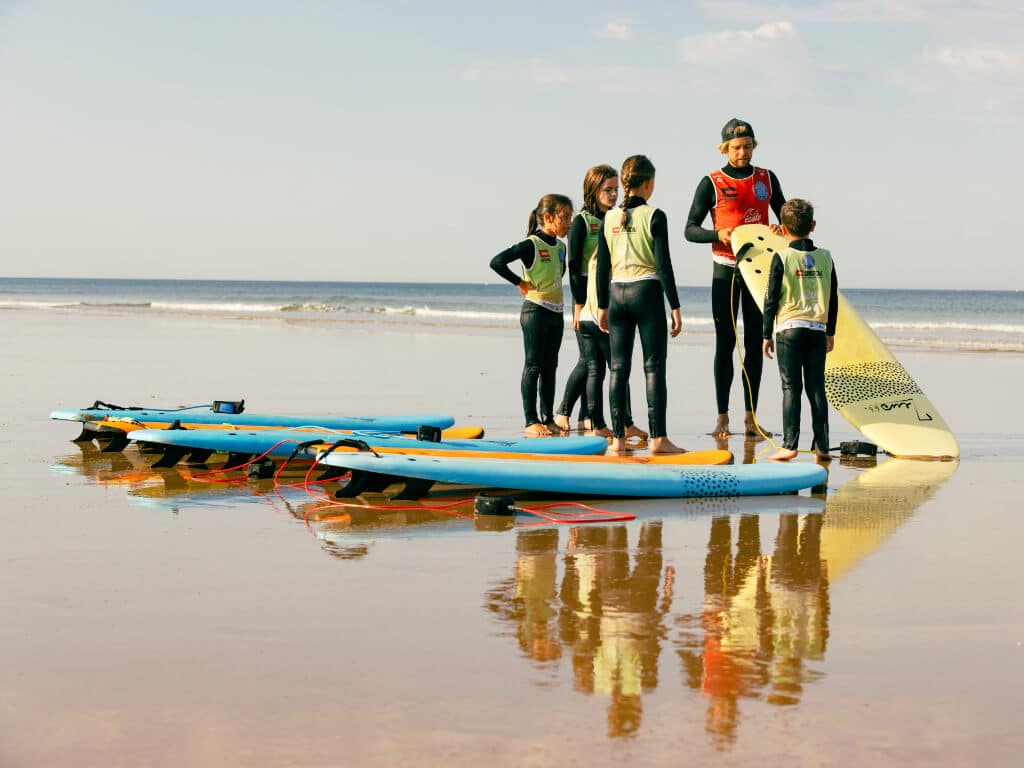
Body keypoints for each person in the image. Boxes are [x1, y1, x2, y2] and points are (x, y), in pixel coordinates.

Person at [684, 118, 786, 439]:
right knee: (725, 344)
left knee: (755, 345)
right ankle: (722, 418)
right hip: (725, 270)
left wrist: (780, 228)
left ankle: (750, 419)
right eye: (736, 147)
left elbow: (785, 217)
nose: (742, 152)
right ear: (725, 148)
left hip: (760, 270)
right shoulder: (711, 182)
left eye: (747, 146)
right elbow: (689, 229)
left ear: (754, 146)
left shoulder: (766, 179)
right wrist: (718, 233)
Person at [596, 155, 685, 455]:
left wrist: (603, 307)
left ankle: (618, 440)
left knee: (618, 369)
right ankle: (659, 439)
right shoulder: (655, 215)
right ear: (648, 183)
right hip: (646, 292)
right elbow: (664, 264)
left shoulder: (608, 217)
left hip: (616, 293)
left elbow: (601, 266)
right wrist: (675, 305)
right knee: (653, 368)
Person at [560, 165, 647, 439]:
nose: (612, 194)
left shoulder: (613, 218)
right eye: (607, 190)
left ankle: (589, 419)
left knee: (599, 363)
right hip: (588, 299)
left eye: (615, 189)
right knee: (595, 363)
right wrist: (577, 304)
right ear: (593, 190)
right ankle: (572, 414)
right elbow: (573, 265)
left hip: (612, 294)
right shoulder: (582, 222)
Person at [761, 199, 838, 461]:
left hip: (789, 330)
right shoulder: (826, 257)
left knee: (790, 388)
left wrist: (765, 335)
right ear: (813, 225)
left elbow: (770, 298)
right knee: (816, 387)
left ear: (783, 229)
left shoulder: (781, 257)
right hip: (817, 330)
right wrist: (830, 332)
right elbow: (833, 298)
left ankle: (790, 445)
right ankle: (823, 445)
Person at [490, 194, 572, 437]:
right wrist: (519, 282)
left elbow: (560, 274)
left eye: (570, 217)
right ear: (548, 218)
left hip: (556, 314)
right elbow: (497, 262)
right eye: (564, 217)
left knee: (551, 367)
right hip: (535, 311)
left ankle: (548, 419)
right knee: (534, 365)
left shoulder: (561, 247)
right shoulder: (531, 244)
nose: (568, 222)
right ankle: (530, 420)